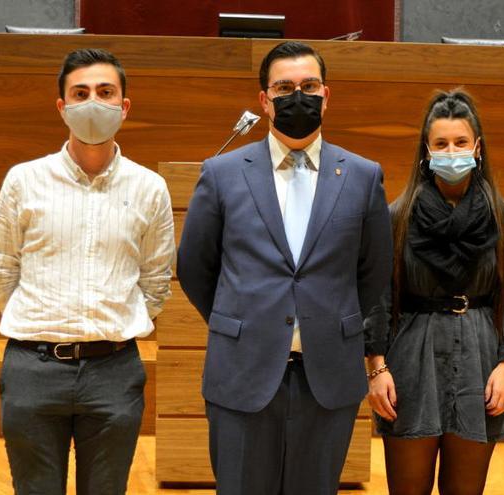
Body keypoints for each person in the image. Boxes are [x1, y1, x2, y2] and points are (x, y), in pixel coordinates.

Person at [177, 41, 393, 495]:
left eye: (309, 86)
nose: (298, 96)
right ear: (264, 99)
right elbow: (196, 267)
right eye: (284, 87)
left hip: (328, 375)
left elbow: (373, 272)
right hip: (242, 370)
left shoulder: (362, 175)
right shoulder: (222, 173)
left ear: (326, 94)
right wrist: (241, 320)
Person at [0, 48, 174, 495]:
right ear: (62, 107)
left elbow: (155, 281)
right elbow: (1, 270)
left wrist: (113, 324)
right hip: (33, 368)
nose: (93, 102)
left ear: (124, 107)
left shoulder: (150, 188)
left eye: (105, 92)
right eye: (81, 93)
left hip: (114, 370)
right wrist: (41, 327)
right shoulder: (23, 180)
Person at [365, 88, 504, 495]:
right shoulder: (397, 216)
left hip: (479, 361)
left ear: (477, 147)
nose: (450, 151)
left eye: (459, 142)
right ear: (426, 150)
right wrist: (377, 369)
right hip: (410, 363)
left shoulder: (500, 217)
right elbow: (379, 300)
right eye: (440, 143)